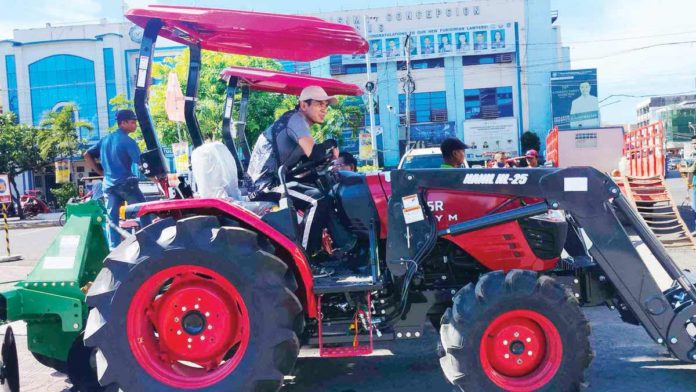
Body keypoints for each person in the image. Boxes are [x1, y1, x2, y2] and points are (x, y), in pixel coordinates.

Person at [246, 86, 355, 265]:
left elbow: (310, 159)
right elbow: (315, 154)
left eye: (326, 105)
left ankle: (343, 245)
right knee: (316, 200)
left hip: (276, 180)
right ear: (304, 105)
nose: (324, 109)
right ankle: (306, 259)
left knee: (324, 195)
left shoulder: (297, 123)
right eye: (319, 104)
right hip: (264, 186)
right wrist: (331, 144)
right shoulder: (296, 120)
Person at [83, 109, 152, 249]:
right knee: (145, 211)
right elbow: (141, 164)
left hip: (108, 185)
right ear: (123, 123)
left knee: (112, 220)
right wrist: (155, 178)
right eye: (132, 122)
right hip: (125, 185)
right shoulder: (128, 141)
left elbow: (86, 154)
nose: (135, 125)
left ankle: (113, 249)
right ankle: (150, 243)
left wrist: (101, 172)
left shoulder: (105, 140)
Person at [687, 136, 696, 230]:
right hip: (695, 184)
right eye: (693, 143)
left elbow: (691, 169)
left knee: (695, 207)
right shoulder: (693, 154)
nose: (694, 145)